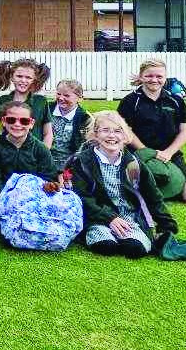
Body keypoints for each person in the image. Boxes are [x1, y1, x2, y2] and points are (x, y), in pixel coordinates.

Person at [70, 110, 179, 259]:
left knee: (134, 249)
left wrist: (167, 225)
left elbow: (153, 195)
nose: (111, 136)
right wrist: (110, 218)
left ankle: (128, 237)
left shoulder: (134, 164)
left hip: (129, 218)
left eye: (117, 131)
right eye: (105, 131)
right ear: (95, 134)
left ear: (125, 135)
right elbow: (82, 197)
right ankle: (101, 236)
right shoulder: (83, 162)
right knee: (106, 246)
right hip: (98, 218)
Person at [118, 59, 186, 203]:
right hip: (139, 154)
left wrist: (168, 152)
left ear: (165, 78)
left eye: (159, 76)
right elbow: (126, 131)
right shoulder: (130, 101)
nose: (154, 80)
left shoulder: (176, 101)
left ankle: (161, 187)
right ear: (141, 76)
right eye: (149, 76)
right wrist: (147, 153)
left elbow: (184, 132)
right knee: (131, 195)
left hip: (170, 154)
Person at [0, 100, 58, 225]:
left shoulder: (40, 148)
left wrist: (32, 197)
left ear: (31, 123)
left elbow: (49, 177)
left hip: (35, 199)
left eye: (24, 121)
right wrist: (11, 198)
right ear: (3, 121)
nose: (17, 125)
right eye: (11, 120)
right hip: (4, 198)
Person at [0, 58, 54, 147]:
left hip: (34, 154)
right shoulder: (3, 101)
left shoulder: (40, 102)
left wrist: (43, 154)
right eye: (19, 76)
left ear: (34, 79)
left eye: (28, 77)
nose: (23, 80)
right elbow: (2, 129)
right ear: (12, 77)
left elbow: (48, 133)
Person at [48, 79, 90, 172]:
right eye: (58, 94)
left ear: (80, 98)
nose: (61, 98)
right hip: (45, 161)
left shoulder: (85, 118)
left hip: (70, 166)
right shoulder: (46, 110)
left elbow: (87, 147)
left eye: (66, 95)